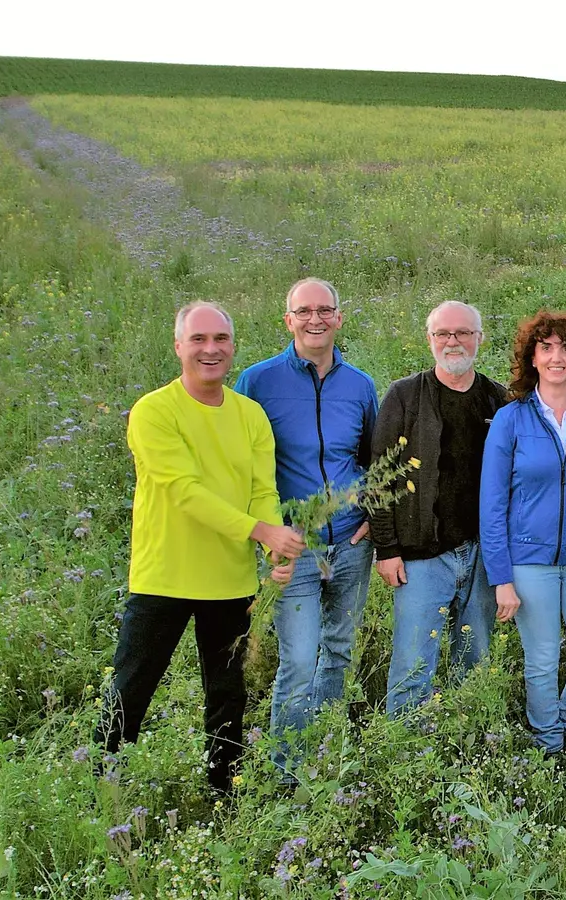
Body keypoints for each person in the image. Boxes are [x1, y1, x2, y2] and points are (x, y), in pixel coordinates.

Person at [98, 301, 306, 794]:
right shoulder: (153, 411)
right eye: (198, 340)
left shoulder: (250, 415)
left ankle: (223, 788)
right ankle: (104, 786)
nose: (210, 349)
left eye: (220, 340)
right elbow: (184, 491)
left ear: (233, 347)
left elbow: (263, 491)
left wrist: (276, 547)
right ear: (178, 347)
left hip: (229, 581)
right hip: (164, 577)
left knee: (227, 695)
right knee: (132, 687)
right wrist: (262, 533)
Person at [233, 278, 378, 781]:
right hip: (292, 549)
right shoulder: (257, 382)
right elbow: (240, 468)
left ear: (339, 317)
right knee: (298, 658)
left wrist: (371, 519)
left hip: (352, 544)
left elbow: (372, 462)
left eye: (325, 310)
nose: (315, 319)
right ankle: (288, 770)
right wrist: (267, 536)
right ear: (288, 319)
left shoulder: (359, 385)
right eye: (304, 311)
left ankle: (325, 752)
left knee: (339, 649)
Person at [479, 311, 566, 754]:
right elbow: (492, 504)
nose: (557, 357)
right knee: (540, 662)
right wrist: (501, 577)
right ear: (532, 359)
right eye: (547, 348)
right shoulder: (510, 419)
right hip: (529, 561)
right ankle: (549, 747)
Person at [372, 300, 508, 716]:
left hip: (481, 554)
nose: (454, 342)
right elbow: (380, 476)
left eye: (463, 333)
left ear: (480, 339)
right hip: (420, 556)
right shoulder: (405, 395)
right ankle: (404, 748)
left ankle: (468, 740)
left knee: (476, 660)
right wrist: (386, 548)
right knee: (414, 665)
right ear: (430, 340)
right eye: (443, 334)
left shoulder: (497, 399)